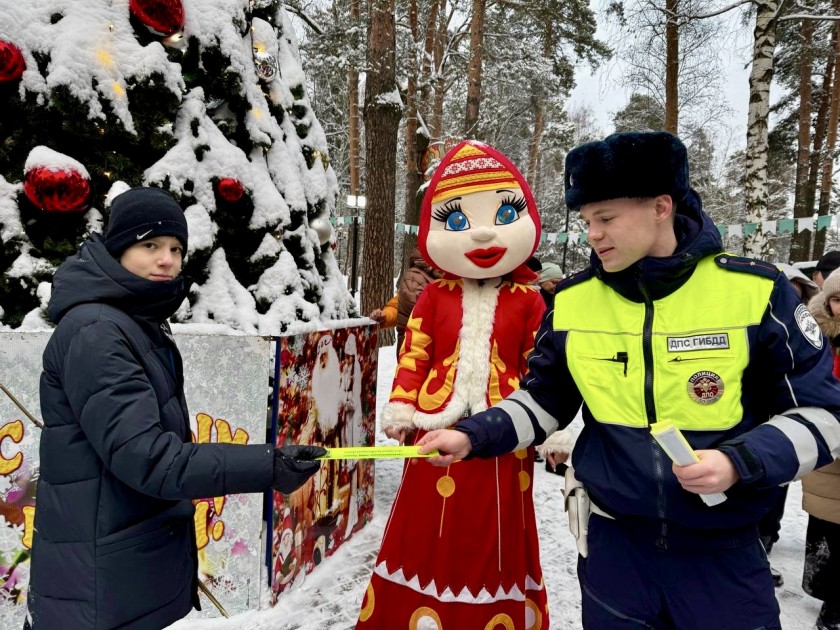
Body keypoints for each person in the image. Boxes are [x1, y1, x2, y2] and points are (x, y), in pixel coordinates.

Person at [418, 131, 840, 629]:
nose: (592, 234)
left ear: (661, 206)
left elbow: (825, 416)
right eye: (586, 221)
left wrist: (737, 461)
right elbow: (544, 399)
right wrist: (473, 433)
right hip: (613, 552)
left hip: (722, 551)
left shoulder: (755, 291)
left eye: (606, 218)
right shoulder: (574, 300)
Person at [28, 186, 326, 630]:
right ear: (118, 248)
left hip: (115, 565)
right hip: (95, 584)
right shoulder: (97, 331)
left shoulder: (133, 321)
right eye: (150, 245)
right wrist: (269, 465)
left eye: (175, 248)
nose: (167, 259)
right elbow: (149, 457)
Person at [355, 140, 573, 629]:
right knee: (426, 528)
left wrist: (549, 429)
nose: (478, 235)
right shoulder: (433, 295)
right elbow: (414, 353)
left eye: (500, 215)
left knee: (492, 532)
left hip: (504, 436)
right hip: (432, 429)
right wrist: (401, 406)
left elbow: (544, 369)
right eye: (457, 221)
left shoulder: (530, 300)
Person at [802, 268, 840, 630]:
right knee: (830, 529)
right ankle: (831, 601)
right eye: (837, 298)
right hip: (830, 443)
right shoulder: (813, 336)